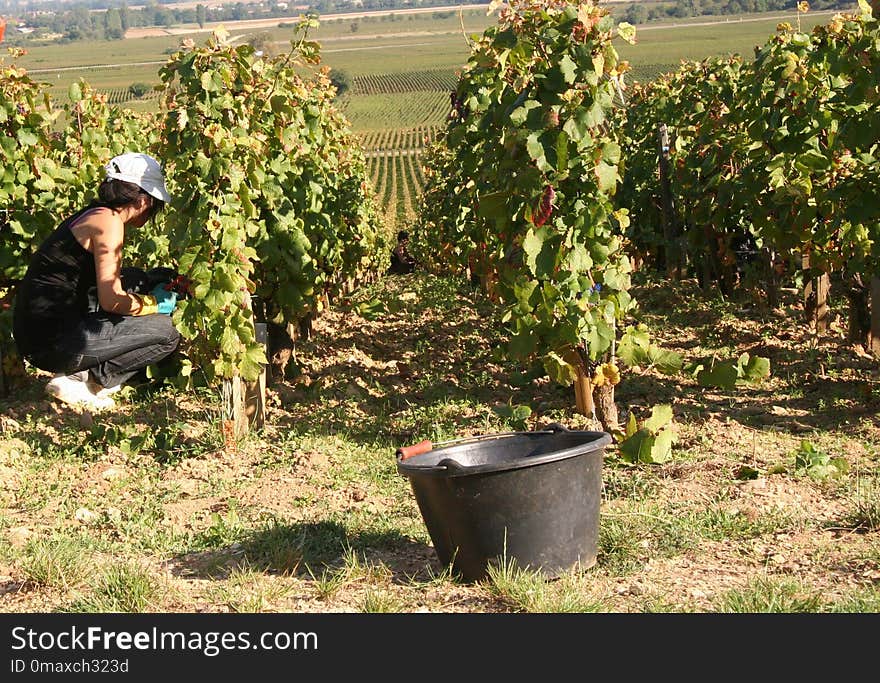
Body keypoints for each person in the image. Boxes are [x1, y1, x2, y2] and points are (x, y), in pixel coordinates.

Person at [12, 152, 181, 411]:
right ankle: (83, 380)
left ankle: (80, 373)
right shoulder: (110, 224)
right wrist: (154, 304)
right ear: (144, 200)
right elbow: (111, 300)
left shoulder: (95, 213)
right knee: (166, 333)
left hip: (37, 332)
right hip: (51, 343)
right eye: (155, 203)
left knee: (136, 278)